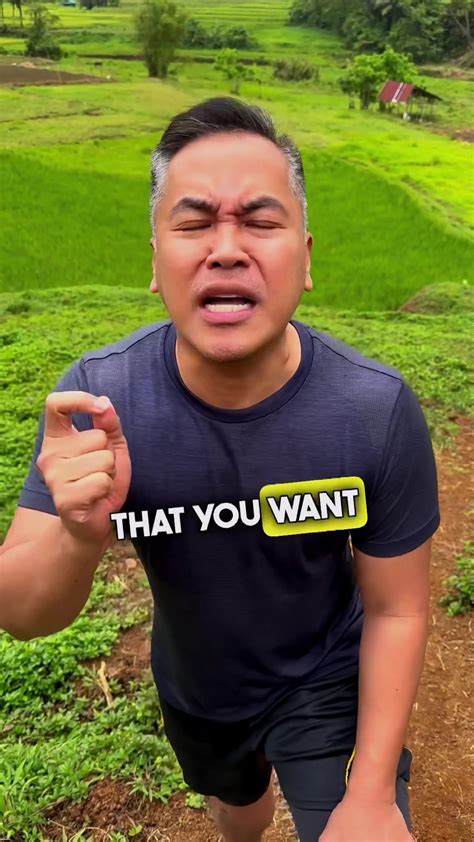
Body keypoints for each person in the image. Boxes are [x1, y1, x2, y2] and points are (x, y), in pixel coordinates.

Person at [0, 97, 440, 842]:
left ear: (305, 257)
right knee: (238, 813)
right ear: (155, 261)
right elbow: (22, 614)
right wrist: (78, 533)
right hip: (200, 687)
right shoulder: (101, 402)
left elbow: (397, 609)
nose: (227, 249)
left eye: (260, 222)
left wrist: (370, 794)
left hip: (326, 677)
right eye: (195, 223)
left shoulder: (374, 410)